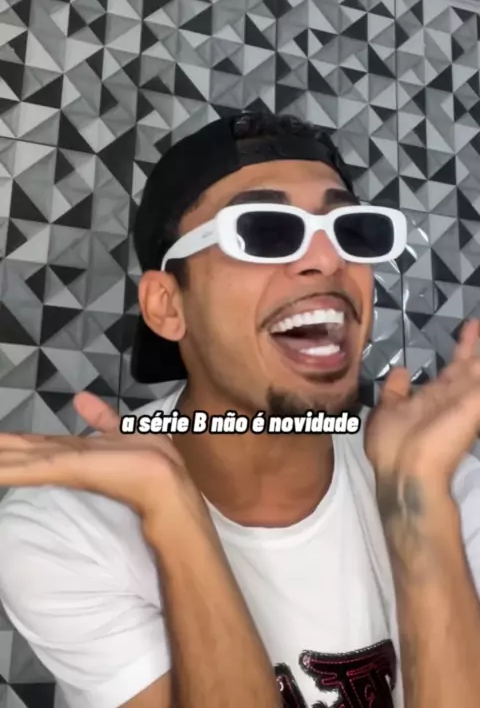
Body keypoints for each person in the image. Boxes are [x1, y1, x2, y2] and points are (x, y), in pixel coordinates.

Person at [0, 113, 479, 708]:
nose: (327, 260)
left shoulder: (444, 483)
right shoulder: (63, 531)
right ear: (167, 306)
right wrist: (173, 517)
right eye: (265, 231)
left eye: (350, 232)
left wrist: (417, 505)